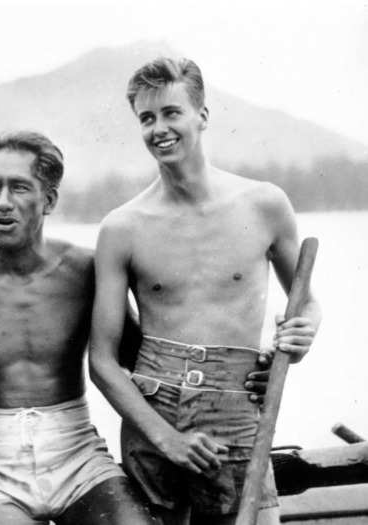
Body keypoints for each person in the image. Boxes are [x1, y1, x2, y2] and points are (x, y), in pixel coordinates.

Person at [0, 131, 266, 525]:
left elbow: (145, 359)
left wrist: (246, 373)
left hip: (76, 453)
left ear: (48, 200)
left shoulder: (84, 271)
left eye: (19, 188)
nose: (1, 203)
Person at [89, 57, 321, 525]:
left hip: (236, 404)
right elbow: (102, 362)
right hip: (154, 412)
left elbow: (308, 301)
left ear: (202, 115)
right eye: (146, 118)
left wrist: (300, 338)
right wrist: (165, 438)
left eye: (171, 112)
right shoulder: (122, 227)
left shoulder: (264, 205)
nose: (159, 129)